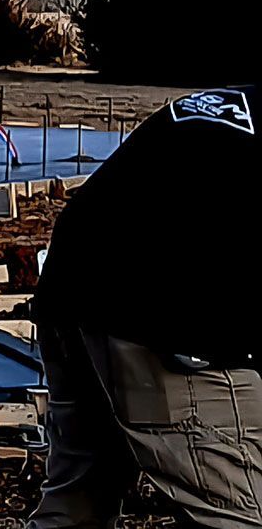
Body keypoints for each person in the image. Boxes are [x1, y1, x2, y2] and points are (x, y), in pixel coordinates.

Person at [30, 84, 262, 528]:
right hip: (170, 313)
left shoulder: (236, 107)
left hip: (73, 282)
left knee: (77, 505)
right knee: (238, 510)